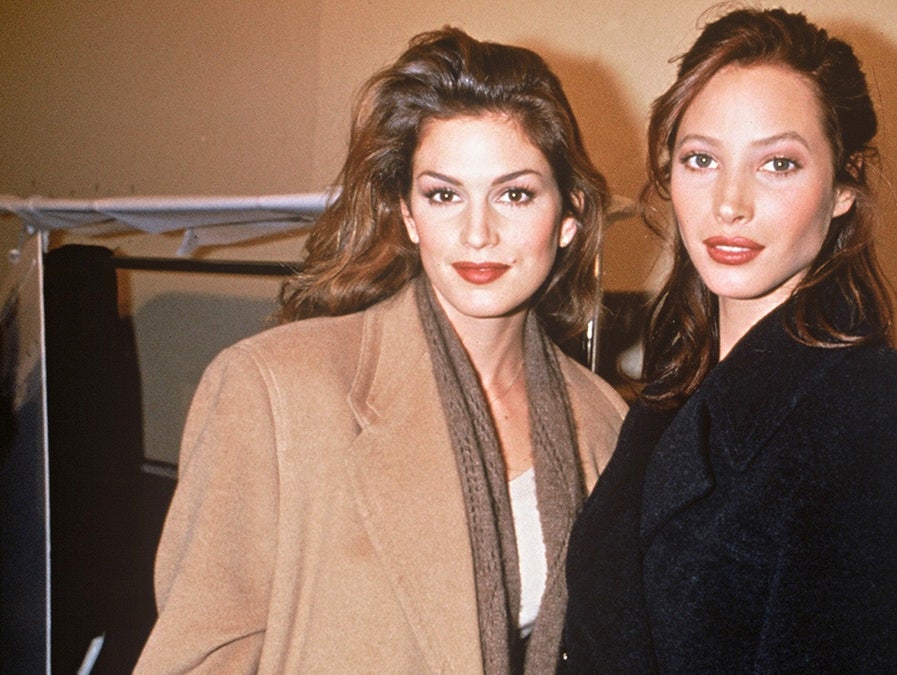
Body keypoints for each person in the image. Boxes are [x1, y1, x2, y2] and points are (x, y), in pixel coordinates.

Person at [135, 27, 626, 673]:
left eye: (515, 193)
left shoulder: (605, 421)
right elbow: (197, 658)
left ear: (569, 215)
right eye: (444, 194)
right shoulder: (274, 387)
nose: (478, 232)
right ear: (408, 214)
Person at [560, 8, 897, 673]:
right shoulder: (674, 387)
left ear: (845, 184)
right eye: (701, 158)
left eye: (779, 163)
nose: (729, 202)